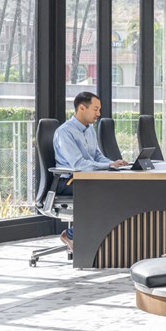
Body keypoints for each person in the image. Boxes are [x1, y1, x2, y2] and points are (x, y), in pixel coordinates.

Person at [52, 91, 129, 249]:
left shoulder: (89, 130)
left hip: (86, 178)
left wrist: (114, 163)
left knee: (122, 188)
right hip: (68, 181)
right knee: (107, 193)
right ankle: (71, 235)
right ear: (82, 108)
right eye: (95, 109)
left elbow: (98, 157)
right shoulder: (64, 132)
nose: (98, 113)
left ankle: (104, 239)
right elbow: (78, 164)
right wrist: (108, 166)